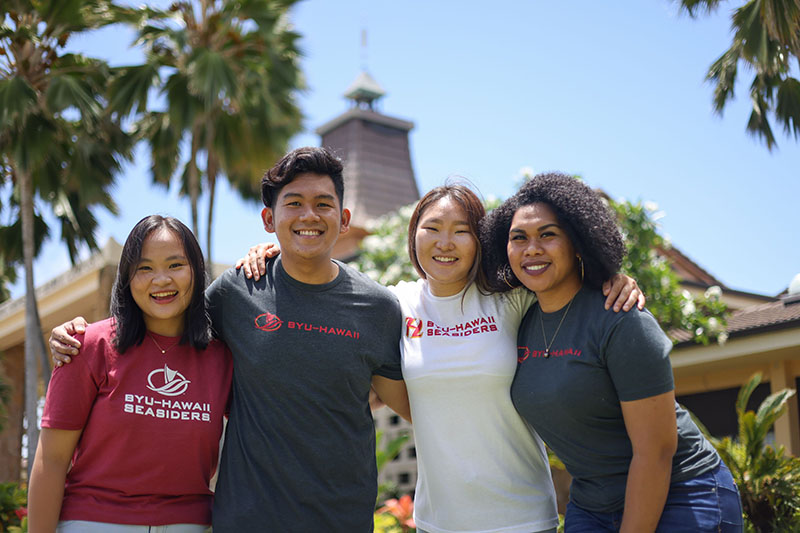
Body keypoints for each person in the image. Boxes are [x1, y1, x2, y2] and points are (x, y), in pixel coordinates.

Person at [238, 183, 644, 533]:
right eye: (431, 228)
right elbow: (325, 286)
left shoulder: (511, 297)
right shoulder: (393, 304)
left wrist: (613, 276)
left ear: (480, 240)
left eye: (461, 231)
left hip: (522, 516)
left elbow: (560, 272)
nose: (444, 242)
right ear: (414, 236)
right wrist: (275, 255)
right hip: (439, 520)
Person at [48, 147, 411, 532]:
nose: (309, 215)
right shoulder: (236, 291)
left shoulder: (378, 307)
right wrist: (78, 334)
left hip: (342, 520)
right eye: (294, 203)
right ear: (269, 219)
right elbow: (163, 316)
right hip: (245, 520)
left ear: (344, 218)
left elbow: (412, 403)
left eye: (323, 204)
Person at [480, 172, 743, 532]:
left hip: (683, 490)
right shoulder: (516, 317)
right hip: (593, 503)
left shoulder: (621, 319)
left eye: (548, 235)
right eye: (518, 238)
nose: (532, 249)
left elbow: (656, 451)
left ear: (578, 242)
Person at [29, 215, 233, 533]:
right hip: (94, 522)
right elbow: (51, 461)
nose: (161, 279)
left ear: (196, 271)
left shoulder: (223, 358)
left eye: (176, 265)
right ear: (127, 278)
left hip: (189, 524)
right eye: (145, 268)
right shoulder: (88, 346)